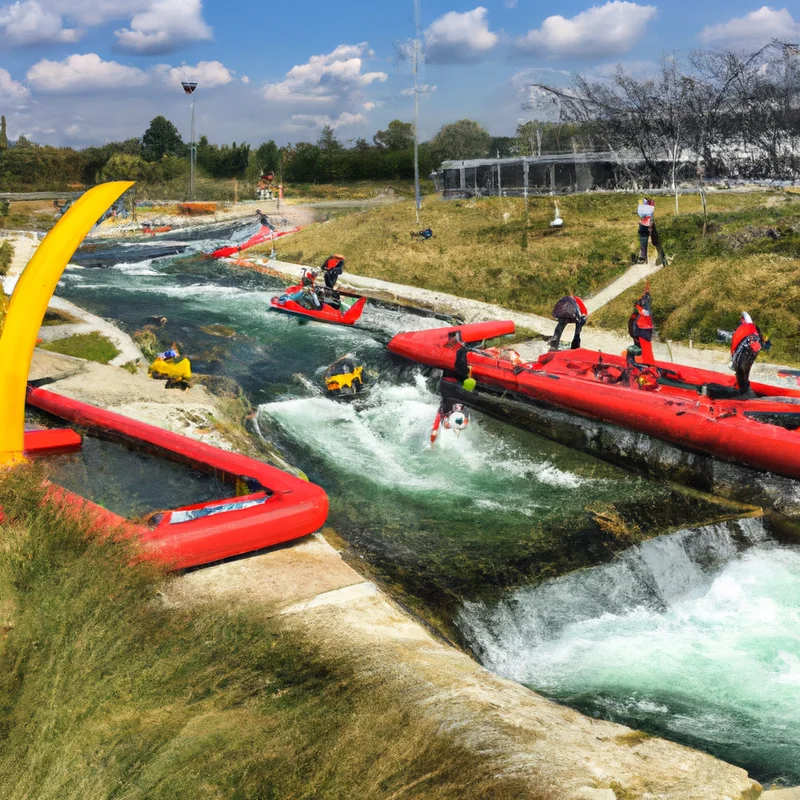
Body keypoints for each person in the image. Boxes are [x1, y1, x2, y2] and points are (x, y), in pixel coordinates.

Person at [730, 312, 770, 395]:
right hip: (750, 348)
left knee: (742, 369)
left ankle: (744, 390)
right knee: (743, 369)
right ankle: (744, 388)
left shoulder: (749, 329)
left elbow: (766, 344)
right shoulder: (751, 330)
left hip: (749, 348)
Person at [627, 288, 654, 364]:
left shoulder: (639, 312)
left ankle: (645, 297)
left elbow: (644, 313)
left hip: (642, 328)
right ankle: (645, 297)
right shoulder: (641, 311)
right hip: (642, 328)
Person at [637, 198, 655, 264]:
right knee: (643, 241)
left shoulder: (651, 201)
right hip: (644, 224)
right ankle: (643, 257)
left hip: (649, 223)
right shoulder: (642, 201)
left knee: (653, 241)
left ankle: (647, 257)